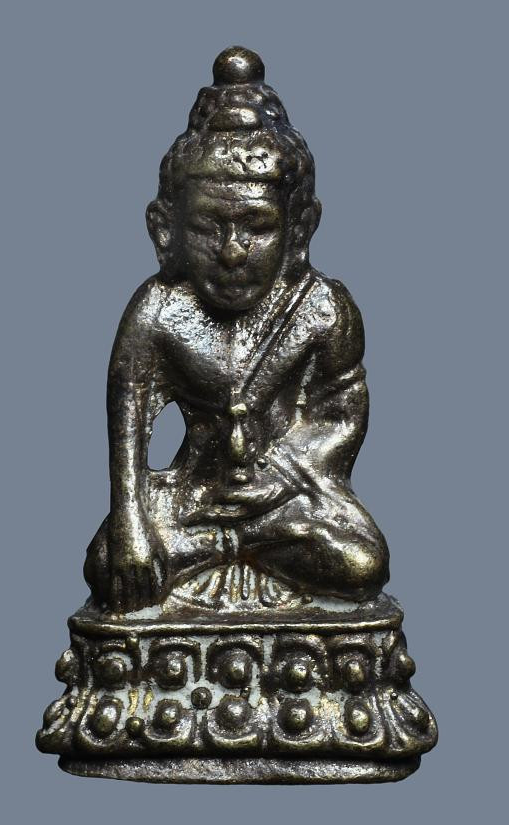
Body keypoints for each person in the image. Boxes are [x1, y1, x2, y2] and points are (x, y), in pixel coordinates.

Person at [84, 47, 389, 614]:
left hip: (285, 497)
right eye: (207, 227)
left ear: (300, 227)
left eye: (257, 226)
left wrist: (282, 475)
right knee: (110, 566)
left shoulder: (322, 308)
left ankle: (226, 547)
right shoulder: (158, 311)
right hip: (195, 494)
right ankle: (230, 546)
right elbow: (127, 432)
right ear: (165, 230)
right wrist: (131, 520)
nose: (232, 251)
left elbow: (341, 414)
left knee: (361, 560)